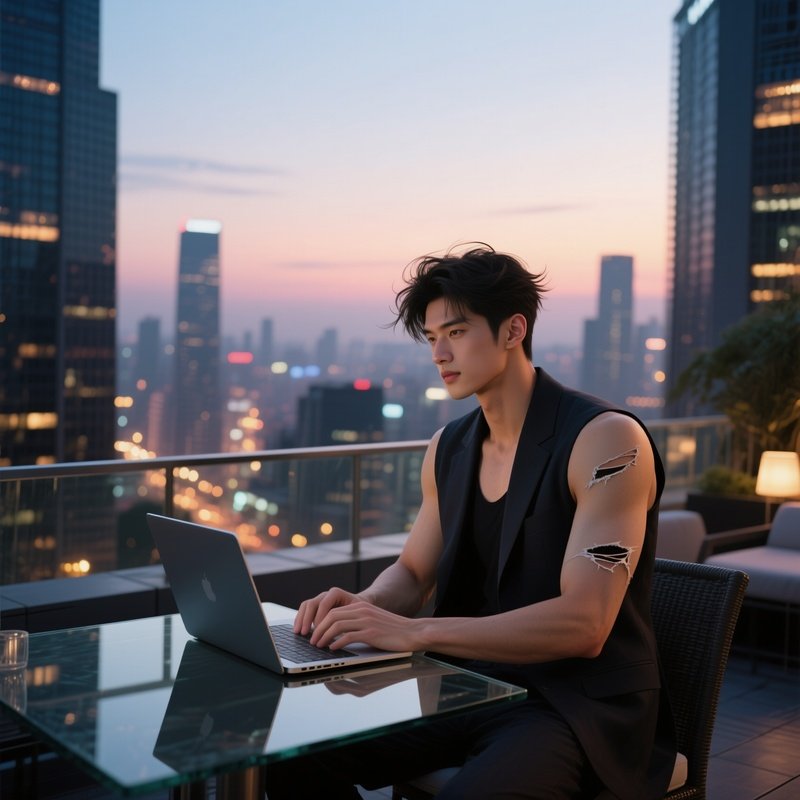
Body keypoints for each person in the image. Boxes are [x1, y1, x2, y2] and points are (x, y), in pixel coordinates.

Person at [266, 244, 676, 800]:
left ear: (513, 330)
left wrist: (415, 632)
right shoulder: (449, 446)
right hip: (465, 684)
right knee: (288, 751)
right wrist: (359, 608)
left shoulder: (605, 439)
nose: (440, 352)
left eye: (456, 332)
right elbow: (413, 572)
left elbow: (586, 623)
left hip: (569, 703)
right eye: (432, 337)